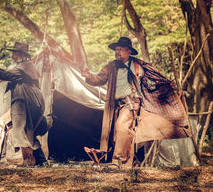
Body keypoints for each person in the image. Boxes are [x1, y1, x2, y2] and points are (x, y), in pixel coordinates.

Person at [81, 37, 189, 167]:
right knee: (115, 133)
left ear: (129, 51)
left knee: (122, 126)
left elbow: (153, 80)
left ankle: (117, 160)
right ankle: (125, 164)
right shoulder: (111, 66)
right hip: (114, 105)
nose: (117, 52)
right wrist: (88, 76)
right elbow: (98, 79)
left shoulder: (139, 66)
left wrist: (165, 86)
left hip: (131, 103)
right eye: (116, 50)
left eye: (120, 50)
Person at [0, 42, 49, 166]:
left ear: (22, 55)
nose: (14, 55)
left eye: (16, 53)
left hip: (25, 102)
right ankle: (41, 162)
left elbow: (5, 74)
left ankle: (29, 161)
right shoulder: (24, 67)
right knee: (27, 133)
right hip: (28, 102)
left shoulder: (25, 67)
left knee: (19, 131)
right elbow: (7, 73)